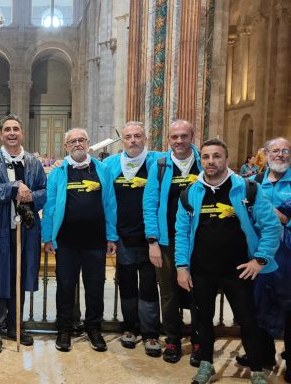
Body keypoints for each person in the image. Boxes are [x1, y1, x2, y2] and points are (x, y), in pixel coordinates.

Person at [175, 138, 280, 384]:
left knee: (247, 320)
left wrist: (260, 260)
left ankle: (255, 369)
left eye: (216, 156)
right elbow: (181, 232)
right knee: (202, 321)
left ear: (226, 159)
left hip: (239, 270)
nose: (211, 161)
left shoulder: (247, 188)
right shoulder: (190, 193)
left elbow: (271, 226)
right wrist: (181, 267)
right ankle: (206, 365)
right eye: (206, 157)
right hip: (201, 270)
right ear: (201, 160)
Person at [42, 128, 118, 352]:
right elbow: (50, 207)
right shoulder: (58, 173)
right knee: (65, 286)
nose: (77, 144)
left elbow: (110, 205)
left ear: (88, 143)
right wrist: (47, 237)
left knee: (95, 287)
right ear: (66, 146)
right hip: (66, 242)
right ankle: (64, 329)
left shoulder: (102, 169)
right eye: (72, 141)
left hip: (95, 241)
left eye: (81, 140)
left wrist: (111, 236)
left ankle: (94, 328)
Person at [0, 113, 46, 354]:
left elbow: (44, 193)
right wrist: (13, 188)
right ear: (0, 134)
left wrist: (30, 196)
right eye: (7, 129)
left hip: (25, 231)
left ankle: (14, 326)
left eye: (16, 129)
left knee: (19, 278)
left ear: (22, 133)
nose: (11, 133)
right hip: (0, 229)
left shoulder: (33, 162)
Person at [142, 119, 202, 365]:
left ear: (192, 137)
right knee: (168, 294)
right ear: (168, 139)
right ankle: (173, 340)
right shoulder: (160, 166)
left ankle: (200, 341)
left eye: (183, 136)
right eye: (174, 137)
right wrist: (153, 241)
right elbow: (150, 204)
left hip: (199, 240)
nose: (179, 141)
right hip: (167, 241)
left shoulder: (203, 162)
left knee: (200, 294)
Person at [104, 121, 164, 357]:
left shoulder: (158, 163)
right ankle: (129, 327)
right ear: (123, 140)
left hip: (150, 238)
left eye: (137, 136)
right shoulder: (110, 164)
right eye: (128, 137)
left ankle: (150, 332)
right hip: (123, 236)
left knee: (149, 285)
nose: (132, 141)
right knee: (127, 284)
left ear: (145, 138)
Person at [237, 137, 291, 381]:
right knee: (258, 305)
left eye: (285, 151)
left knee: (289, 308)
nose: (280, 155)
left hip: (288, 256)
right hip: (260, 256)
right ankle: (263, 354)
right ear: (266, 154)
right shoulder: (254, 182)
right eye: (275, 151)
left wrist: (286, 220)